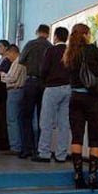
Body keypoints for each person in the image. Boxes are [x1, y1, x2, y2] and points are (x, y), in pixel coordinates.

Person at [62, 23, 98, 189]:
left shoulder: (69, 53)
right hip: (92, 98)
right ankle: (93, 177)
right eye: (89, 33)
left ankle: (77, 175)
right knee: (95, 136)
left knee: (77, 135)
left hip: (75, 96)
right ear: (86, 34)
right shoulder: (91, 49)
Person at [32, 27, 70, 163]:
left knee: (46, 121)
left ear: (55, 37)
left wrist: (44, 83)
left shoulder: (51, 50)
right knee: (64, 123)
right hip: (68, 89)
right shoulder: (70, 52)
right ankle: (61, 155)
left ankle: (44, 153)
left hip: (52, 88)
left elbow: (44, 70)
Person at [18, 24, 52, 159]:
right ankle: (41, 149)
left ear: (37, 32)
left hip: (31, 81)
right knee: (42, 117)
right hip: (45, 84)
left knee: (27, 116)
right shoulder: (50, 47)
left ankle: (27, 148)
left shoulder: (30, 44)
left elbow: (21, 60)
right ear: (48, 33)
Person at [0, 44, 27, 155]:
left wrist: (2, 75)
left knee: (12, 119)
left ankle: (15, 146)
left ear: (12, 52)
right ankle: (20, 145)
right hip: (20, 91)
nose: (7, 57)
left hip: (14, 90)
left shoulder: (17, 62)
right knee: (18, 119)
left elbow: (12, 78)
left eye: (8, 54)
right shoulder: (23, 62)